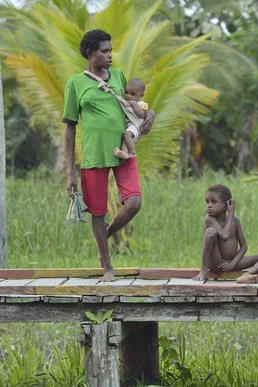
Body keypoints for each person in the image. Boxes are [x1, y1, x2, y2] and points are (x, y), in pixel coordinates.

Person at [64, 29, 155, 282]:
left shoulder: (118, 76)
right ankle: (107, 266)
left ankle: (106, 233)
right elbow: (70, 127)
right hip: (94, 155)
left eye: (111, 50)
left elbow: (133, 106)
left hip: (123, 152)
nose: (110, 55)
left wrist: (151, 114)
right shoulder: (76, 83)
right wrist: (70, 171)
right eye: (104, 51)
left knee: (134, 202)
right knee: (97, 212)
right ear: (91, 54)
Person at [192, 184, 258, 282]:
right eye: (207, 202)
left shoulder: (235, 221)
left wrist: (233, 263)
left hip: (232, 263)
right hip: (217, 263)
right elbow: (225, 236)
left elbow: (244, 246)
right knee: (210, 232)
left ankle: (247, 275)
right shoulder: (210, 219)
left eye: (214, 202)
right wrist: (231, 213)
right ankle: (203, 271)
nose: (209, 205)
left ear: (226, 205)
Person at [113, 78, 148, 160]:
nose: (128, 96)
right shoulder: (127, 102)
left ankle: (132, 153)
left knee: (127, 135)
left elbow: (141, 114)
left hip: (137, 125)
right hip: (130, 126)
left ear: (141, 95)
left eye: (132, 94)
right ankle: (125, 153)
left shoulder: (141, 104)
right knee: (125, 139)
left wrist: (133, 103)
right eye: (126, 92)